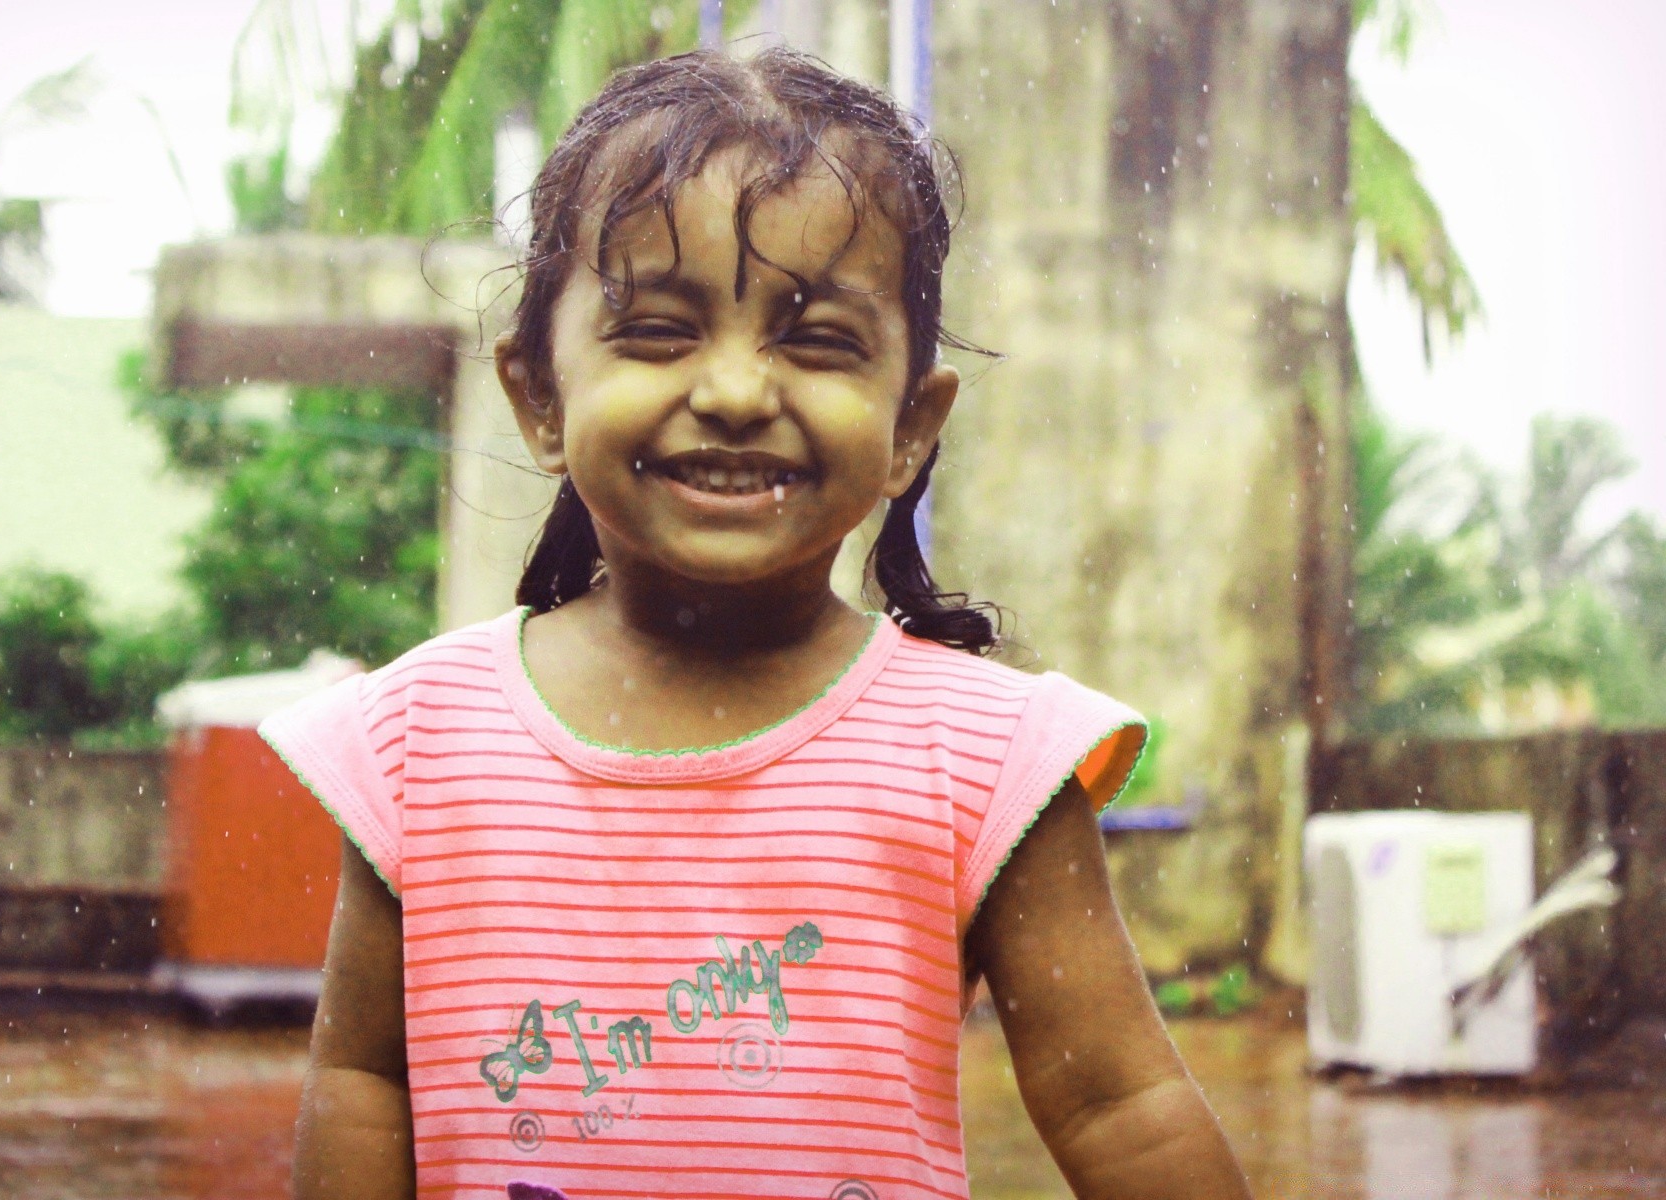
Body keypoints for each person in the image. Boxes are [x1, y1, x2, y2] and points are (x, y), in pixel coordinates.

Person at [259, 45, 1254, 1200]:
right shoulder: (418, 741)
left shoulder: (988, 765)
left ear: (910, 429)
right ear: (539, 395)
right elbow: (361, 1084)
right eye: (658, 331)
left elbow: (1121, 1106)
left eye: (818, 339)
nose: (736, 391)